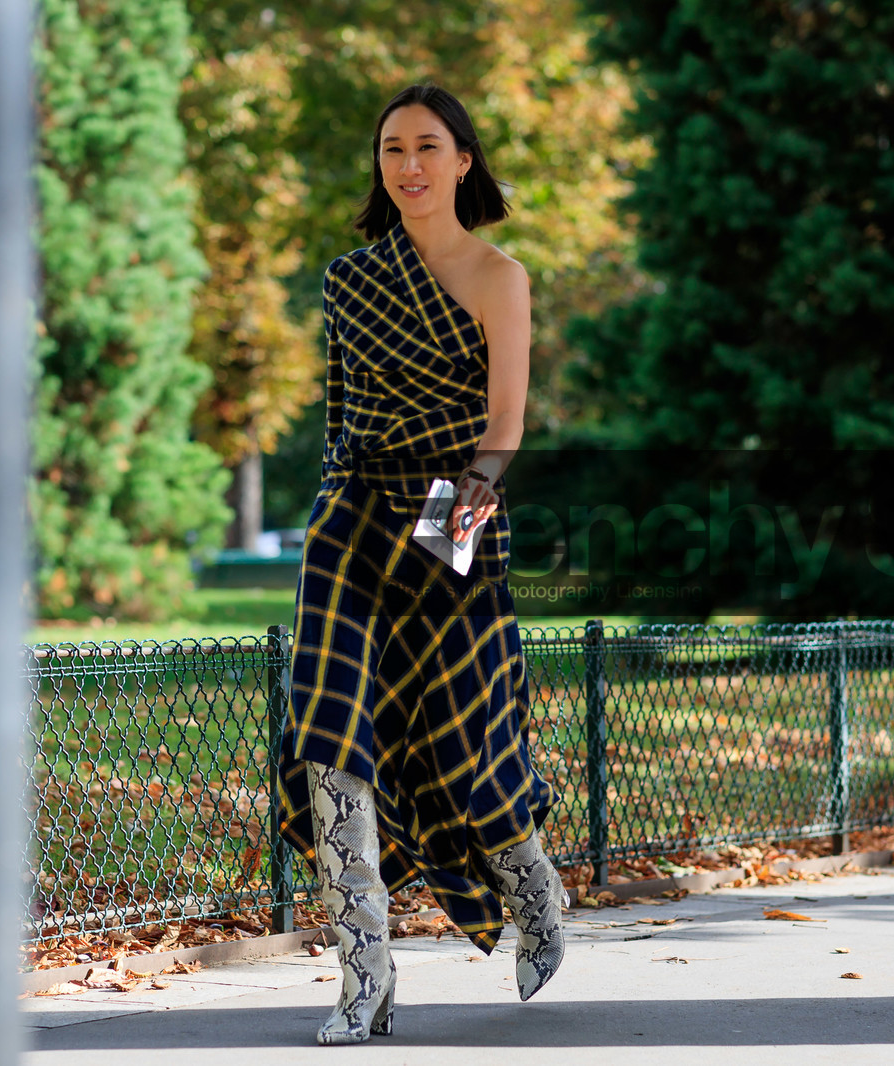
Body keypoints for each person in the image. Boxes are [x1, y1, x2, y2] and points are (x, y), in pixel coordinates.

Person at [276, 83, 566, 1046]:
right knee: (331, 736)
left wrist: (459, 514)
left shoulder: (500, 276)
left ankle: (533, 893)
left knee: (462, 739)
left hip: (454, 515)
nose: (407, 165)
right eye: (392, 149)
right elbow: (336, 416)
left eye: (427, 146)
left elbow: (505, 426)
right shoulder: (349, 280)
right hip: (352, 520)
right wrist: (329, 515)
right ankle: (365, 975)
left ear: (463, 159)